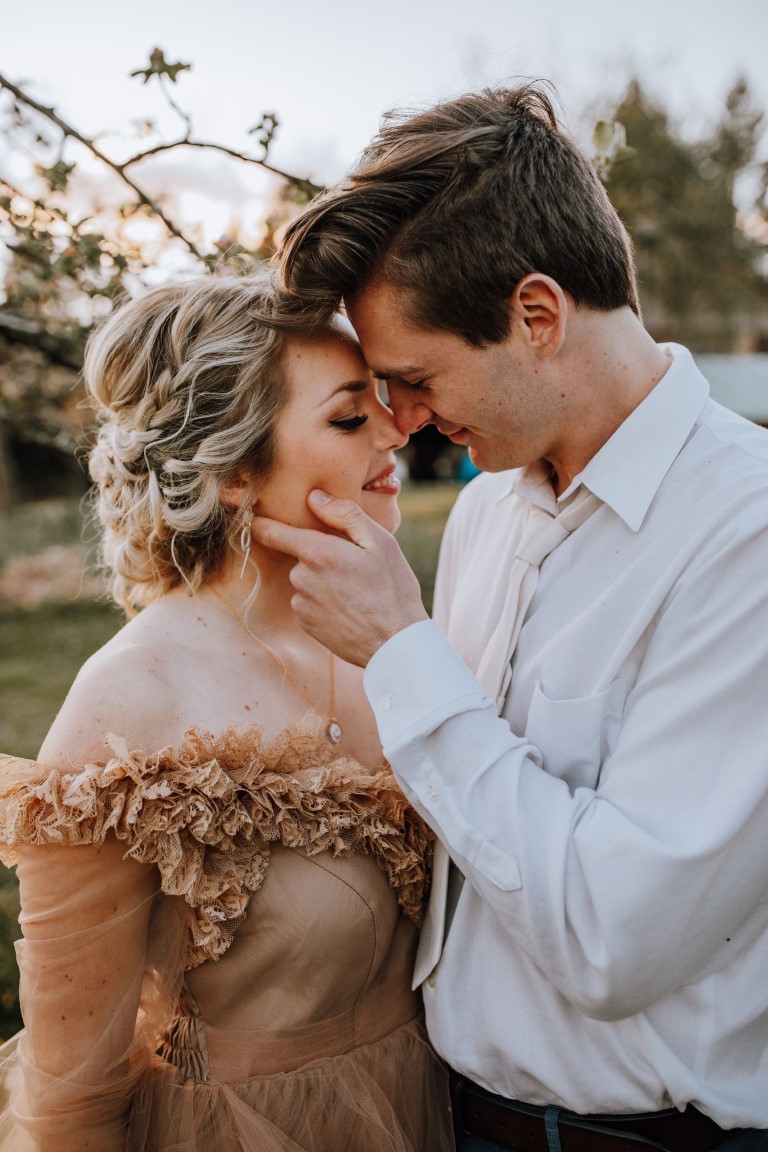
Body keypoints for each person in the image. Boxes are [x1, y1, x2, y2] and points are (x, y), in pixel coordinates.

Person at [248, 84, 768, 1152]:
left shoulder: (744, 534)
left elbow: (612, 940)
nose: (401, 422)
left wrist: (401, 652)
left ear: (536, 317)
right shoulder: (487, 511)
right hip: (453, 1117)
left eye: (415, 377)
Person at [0, 275, 454, 1152]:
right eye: (351, 418)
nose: (400, 432)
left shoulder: (396, 636)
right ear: (237, 472)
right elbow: (67, 1098)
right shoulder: (130, 700)